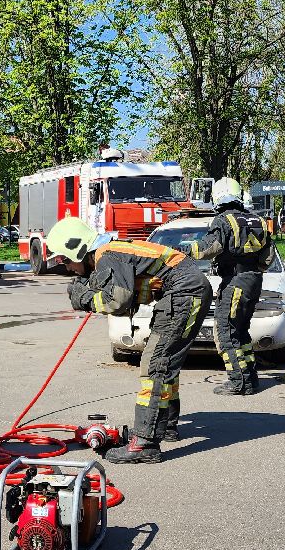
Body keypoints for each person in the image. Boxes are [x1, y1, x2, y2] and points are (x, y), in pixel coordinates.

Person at [46, 215, 212, 463]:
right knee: (164, 364)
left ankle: (145, 443)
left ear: (77, 249)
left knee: (156, 365)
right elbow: (137, 294)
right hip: (185, 291)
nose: (67, 267)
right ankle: (163, 426)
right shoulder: (113, 252)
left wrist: (85, 299)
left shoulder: (107, 255)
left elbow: (118, 300)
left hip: (184, 293)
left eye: (65, 260)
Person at [189, 177, 272, 395]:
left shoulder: (223, 221)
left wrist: (183, 252)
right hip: (253, 281)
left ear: (216, 198)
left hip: (234, 282)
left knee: (226, 332)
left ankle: (238, 383)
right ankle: (250, 379)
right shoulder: (258, 221)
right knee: (241, 332)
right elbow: (267, 258)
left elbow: (209, 248)